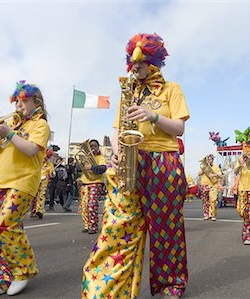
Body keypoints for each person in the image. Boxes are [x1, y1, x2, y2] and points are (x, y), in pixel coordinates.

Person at [81, 33, 189, 299]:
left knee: (166, 227)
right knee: (119, 228)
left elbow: (180, 128)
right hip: (130, 162)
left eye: (140, 61)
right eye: (131, 62)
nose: (134, 66)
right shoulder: (128, 91)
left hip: (162, 160)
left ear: (154, 62)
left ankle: (171, 283)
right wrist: (116, 154)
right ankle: (110, 287)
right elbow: (118, 129)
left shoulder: (171, 88)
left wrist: (153, 115)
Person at [0, 81, 50, 296]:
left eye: (23, 101)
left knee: (4, 226)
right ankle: (5, 276)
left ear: (36, 101)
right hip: (4, 180)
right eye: (16, 101)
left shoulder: (40, 125)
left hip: (23, 181)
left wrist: (9, 133)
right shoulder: (15, 123)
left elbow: (31, 150)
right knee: (8, 232)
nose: (18, 105)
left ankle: (23, 271)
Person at [78, 139, 106, 234]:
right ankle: (86, 225)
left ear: (98, 147)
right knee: (84, 206)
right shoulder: (85, 157)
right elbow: (79, 169)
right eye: (91, 146)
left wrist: (91, 167)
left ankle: (93, 225)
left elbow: (103, 169)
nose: (93, 148)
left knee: (92, 204)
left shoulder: (100, 157)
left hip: (96, 182)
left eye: (95, 146)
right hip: (84, 182)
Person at [30, 148, 55, 219]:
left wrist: (52, 173)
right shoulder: (36, 162)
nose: (45, 158)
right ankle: (33, 211)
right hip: (35, 180)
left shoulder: (50, 165)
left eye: (47, 157)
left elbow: (53, 174)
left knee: (41, 195)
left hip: (44, 182)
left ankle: (39, 211)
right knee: (34, 196)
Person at [198, 154, 222, 220]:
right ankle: (206, 214)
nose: (209, 160)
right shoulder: (203, 166)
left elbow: (220, 175)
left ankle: (213, 214)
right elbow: (199, 174)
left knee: (213, 200)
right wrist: (204, 169)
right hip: (204, 184)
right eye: (208, 159)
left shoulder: (216, 166)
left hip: (213, 185)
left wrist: (214, 174)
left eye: (210, 159)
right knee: (205, 201)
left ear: (212, 160)